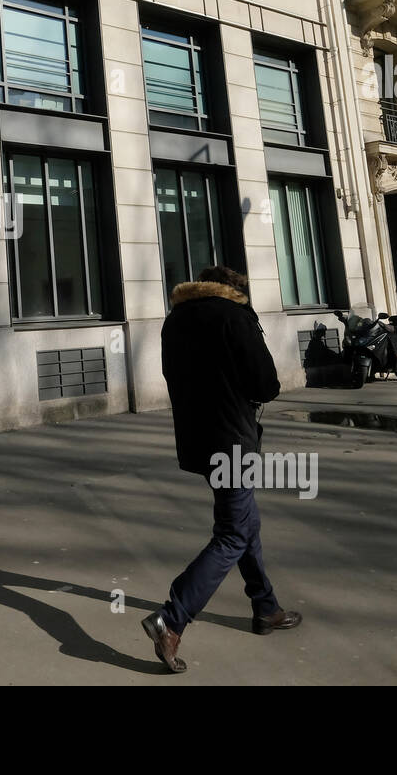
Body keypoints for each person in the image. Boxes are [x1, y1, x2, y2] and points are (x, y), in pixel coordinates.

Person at [141, 266, 300, 675]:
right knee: (233, 531)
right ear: (236, 291)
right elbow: (265, 385)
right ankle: (171, 619)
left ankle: (266, 607)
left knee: (245, 523)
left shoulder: (175, 320)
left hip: (197, 437)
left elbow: (170, 376)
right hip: (232, 437)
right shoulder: (235, 316)